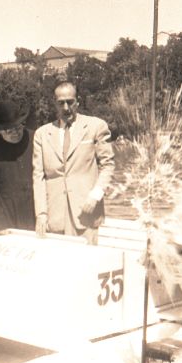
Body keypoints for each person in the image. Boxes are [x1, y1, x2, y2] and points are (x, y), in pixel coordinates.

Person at [33, 81, 115, 245]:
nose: (66, 108)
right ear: (54, 104)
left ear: (77, 101)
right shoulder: (42, 134)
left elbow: (108, 166)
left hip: (86, 212)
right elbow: (38, 177)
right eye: (61, 103)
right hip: (55, 216)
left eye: (70, 102)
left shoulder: (96, 126)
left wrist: (95, 195)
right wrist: (41, 213)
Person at [0, 100, 36, 234]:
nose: (15, 133)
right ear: (0, 130)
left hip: (35, 208)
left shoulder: (35, 138)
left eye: (18, 127)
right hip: (8, 211)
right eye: (9, 130)